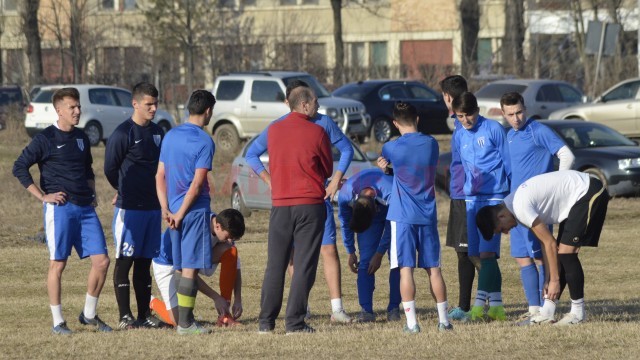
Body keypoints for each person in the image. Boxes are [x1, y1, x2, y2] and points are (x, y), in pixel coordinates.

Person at [246, 80, 354, 323]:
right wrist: (269, 179)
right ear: (300, 103)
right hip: (295, 202)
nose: (318, 105)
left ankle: (336, 308)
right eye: (315, 101)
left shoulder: (323, 123)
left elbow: (346, 150)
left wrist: (335, 180)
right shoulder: (277, 127)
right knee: (295, 258)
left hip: (316, 198)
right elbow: (251, 154)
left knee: (326, 250)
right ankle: (299, 311)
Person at [12, 87, 112, 335]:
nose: (78, 111)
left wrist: (93, 192)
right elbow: (19, 167)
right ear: (58, 110)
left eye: (78, 106)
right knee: (58, 264)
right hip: (60, 210)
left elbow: (87, 169)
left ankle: (88, 314)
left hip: (86, 209)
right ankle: (58, 322)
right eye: (72, 107)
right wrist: (43, 196)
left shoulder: (81, 137)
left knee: (102, 261)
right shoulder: (45, 139)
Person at [476, 170, 609, 325]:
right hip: (577, 197)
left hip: (588, 191)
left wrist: (554, 281)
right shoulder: (512, 205)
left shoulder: (520, 207)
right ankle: (547, 312)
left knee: (567, 254)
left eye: (501, 229)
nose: (506, 233)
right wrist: (548, 278)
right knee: (560, 255)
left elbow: (550, 243)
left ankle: (578, 313)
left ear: (501, 217)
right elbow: (544, 243)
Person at [257, 86, 333, 334]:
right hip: (309, 204)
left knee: (275, 265)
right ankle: (295, 322)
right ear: (305, 105)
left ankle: (266, 323)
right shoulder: (318, 132)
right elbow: (327, 168)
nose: (318, 107)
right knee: (303, 265)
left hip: (280, 204)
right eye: (316, 102)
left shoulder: (273, 130)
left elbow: (255, 155)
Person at [500, 91, 575, 325]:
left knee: (542, 256)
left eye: (519, 112)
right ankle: (533, 309)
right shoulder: (509, 136)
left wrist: (559, 187)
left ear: (526, 108)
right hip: (516, 209)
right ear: (503, 114)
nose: (516, 118)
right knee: (522, 258)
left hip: (537, 206)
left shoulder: (538, 130)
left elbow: (567, 155)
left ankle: (547, 308)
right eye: (510, 114)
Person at [377, 102, 452, 333]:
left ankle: (412, 323)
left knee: (405, 269)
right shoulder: (431, 144)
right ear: (417, 119)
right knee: (434, 270)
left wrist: (385, 169)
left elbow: (390, 162)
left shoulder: (392, 147)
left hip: (402, 217)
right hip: (427, 214)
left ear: (395, 123)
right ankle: (444, 321)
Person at [104, 82, 166, 329]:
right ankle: (124, 316)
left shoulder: (159, 132)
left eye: (155, 103)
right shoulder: (123, 133)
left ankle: (144, 315)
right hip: (129, 208)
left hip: (153, 208)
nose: (153, 108)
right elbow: (110, 168)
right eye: (148, 104)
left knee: (144, 262)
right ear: (135, 104)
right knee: (125, 260)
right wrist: (121, 189)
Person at [155, 89, 216, 335]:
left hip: (171, 212)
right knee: (190, 267)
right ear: (208, 111)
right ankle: (186, 324)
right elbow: (197, 184)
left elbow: (159, 175)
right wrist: (180, 213)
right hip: (192, 211)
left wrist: (165, 209)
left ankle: (184, 320)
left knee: (180, 266)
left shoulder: (170, 136)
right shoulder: (204, 141)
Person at [451, 92, 510, 322]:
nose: (466, 120)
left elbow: (508, 162)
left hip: (494, 198)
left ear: (478, 111)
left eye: (469, 114)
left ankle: (477, 310)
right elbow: (461, 165)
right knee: (474, 253)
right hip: (471, 199)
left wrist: (510, 195)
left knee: (487, 255)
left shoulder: (493, 129)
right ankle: (496, 307)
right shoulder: (458, 134)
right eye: (460, 116)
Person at [151, 209, 246, 327]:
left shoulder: (222, 224)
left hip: (192, 259)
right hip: (167, 263)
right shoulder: (197, 231)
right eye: (228, 237)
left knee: (231, 251)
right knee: (178, 321)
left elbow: (235, 265)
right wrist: (216, 297)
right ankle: (151, 302)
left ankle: (224, 315)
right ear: (217, 226)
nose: (230, 241)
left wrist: (238, 299)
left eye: (233, 238)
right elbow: (189, 273)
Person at [336, 169, 401, 323]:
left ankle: (394, 308)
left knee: (397, 260)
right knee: (365, 261)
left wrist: (379, 254)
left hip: (392, 206)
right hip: (371, 201)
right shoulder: (345, 195)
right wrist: (350, 250)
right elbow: (345, 224)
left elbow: (392, 227)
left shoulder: (390, 192)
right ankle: (366, 311)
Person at [439, 75, 476, 322]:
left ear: (448, 97)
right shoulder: (459, 122)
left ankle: (485, 304)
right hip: (459, 194)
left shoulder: (469, 124)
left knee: (472, 252)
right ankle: (466, 305)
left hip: (468, 196)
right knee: (464, 252)